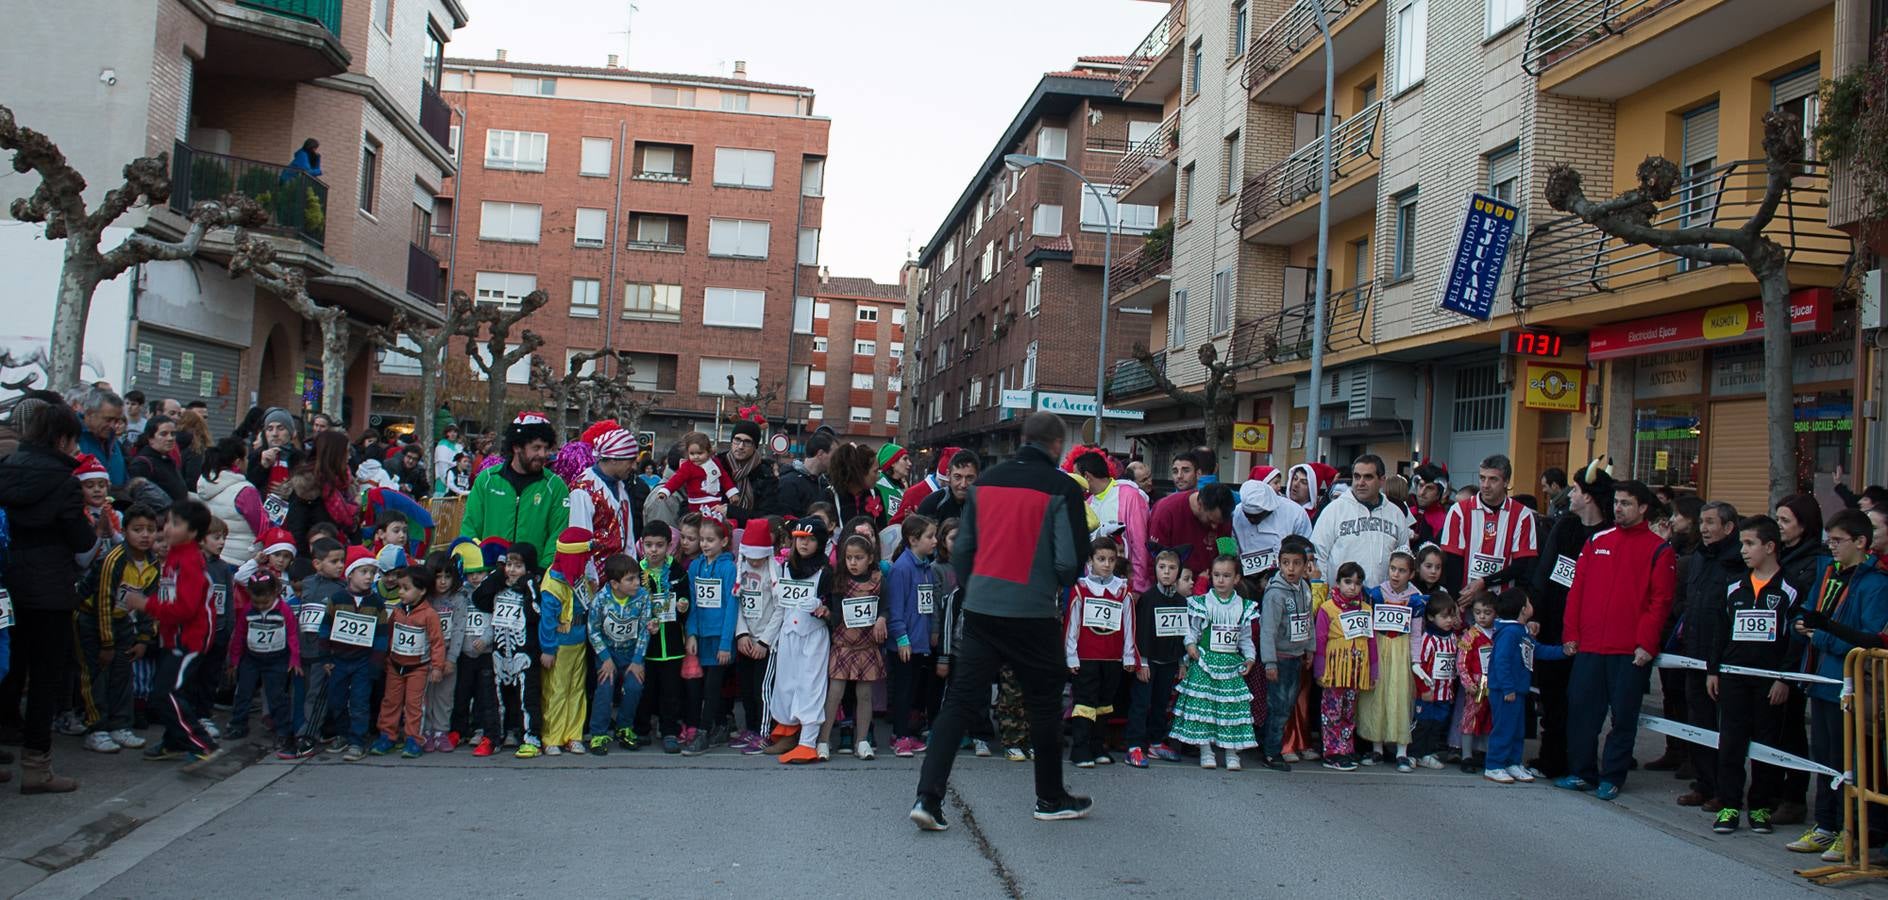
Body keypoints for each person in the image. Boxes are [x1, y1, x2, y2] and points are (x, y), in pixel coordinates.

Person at [913, 412, 1092, 831]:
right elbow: (1068, 561)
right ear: (1056, 447)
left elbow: (962, 550)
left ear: (1022, 439)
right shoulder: (1062, 488)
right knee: (1044, 705)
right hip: (1032, 611)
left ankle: (928, 798)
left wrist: (978, 589)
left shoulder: (985, 483)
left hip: (982, 608)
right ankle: (1049, 797)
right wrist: (1050, 582)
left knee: (959, 702)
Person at [1555, 480, 1677, 800]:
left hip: (1628, 652)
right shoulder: (1597, 541)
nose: (1618, 509)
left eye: (1626, 503)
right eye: (1617, 503)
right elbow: (1577, 592)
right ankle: (1581, 772)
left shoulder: (1659, 550)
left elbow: (1659, 603)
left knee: (1623, 717)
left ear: (1643, 508)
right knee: (1582, 712)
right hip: (1591, 647)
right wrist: (1571, 634)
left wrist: (1645, 645)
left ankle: (1612, 775)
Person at [0, 402, 101, 791]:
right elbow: (82, 546)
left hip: (6, 586)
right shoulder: (63, 483)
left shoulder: (6, 468)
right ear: (62, 439)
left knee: (7, 669)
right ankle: (37, 767)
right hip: (49, 592)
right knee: (44, 678)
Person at [1791, 509, 1888, 858]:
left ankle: (1853, 832)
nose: (1831, 547)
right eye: (1828, 540)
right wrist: (1801, 625)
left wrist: (1822, 639)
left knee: (1851, 763)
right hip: (1819, 680)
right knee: (1825, 759)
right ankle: (1825, 825)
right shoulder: (1828, 572)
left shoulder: (1875, 583)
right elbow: (1806, 609)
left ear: (1860, 542)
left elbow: (1871, 641)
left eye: (1838, 541)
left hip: (1850, 686)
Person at [1704, 515, 1794, 835]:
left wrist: (1784, 678)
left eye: (1750, 543)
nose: (1743, 550)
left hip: (1769, 681)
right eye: (1742, 543)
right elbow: (1720, 633)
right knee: (1730, 742)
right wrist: (1713, 670)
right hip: (1733, 677)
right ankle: (1729, 804)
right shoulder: (1734, 588)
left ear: (1770, 547)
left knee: (1766, 744)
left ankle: (1760, 808)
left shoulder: (1790, 590)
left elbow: (1794, 641)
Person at [122, 500, 223, 767]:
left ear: (192, 533)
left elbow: (185, 608)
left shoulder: (188, 562)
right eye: (166, 521)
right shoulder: (175, 557)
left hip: (189, 641)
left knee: (164, 693)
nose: (166, 528)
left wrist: (145, 604)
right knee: (175, 692)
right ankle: (175, 741)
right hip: (174, 638)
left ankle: (202, 744)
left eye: (175, 524)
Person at [76, 503, 160, 754]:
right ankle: (95, 727)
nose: (145, 535)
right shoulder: (115, 560)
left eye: (150, 530)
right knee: (96, 675)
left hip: (123, 620)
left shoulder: (153, 563)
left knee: (123, 675)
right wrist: (107, 643)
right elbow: (103, 600)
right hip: (93, 619)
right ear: (124, 531)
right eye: (137, 530)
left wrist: (144, 638)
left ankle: (119, 724)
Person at [1672, 500, 1740, 808]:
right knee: (1698, 721)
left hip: (1722, 658)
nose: (1704, 528)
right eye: (1702, 522)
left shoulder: (1737, 561)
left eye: (1711, 522)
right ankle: (1704, 782)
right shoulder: (1698, 556)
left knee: (1724, 728)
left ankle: (1725, 792)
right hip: (1694, 652)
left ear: (1728, 527)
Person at [1168, 553, 1258, 770]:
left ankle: (1231, 752)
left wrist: (1250, 657)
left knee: (1229, 708)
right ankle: (1206, 750)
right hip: (1205, 662)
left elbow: (1245, 638)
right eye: (1216, 575)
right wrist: (1190, 646)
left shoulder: (1242, 606)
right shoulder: (1202, 603)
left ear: (1236, 579)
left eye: (1226, 576)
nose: (1220, 580)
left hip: (1230, 665)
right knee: (1205, 709)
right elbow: (1192, 631)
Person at [1062, 537, 1137, 768]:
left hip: (1112, 657)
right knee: (1085, 702)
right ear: (1090, 561)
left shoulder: (1122, 590)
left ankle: (1098, 745)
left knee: (1105, 704)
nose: (1106, 564)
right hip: (1086, 656)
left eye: (1111, 560)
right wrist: (1071, 655)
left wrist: (1129, 654)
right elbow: (1071, 624)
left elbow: (1128, 623)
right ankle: (1080, 748)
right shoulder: (1081, 589)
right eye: (1101, 559)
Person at [766, 519, 833, 764]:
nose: (804, 543)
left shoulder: (825, 572)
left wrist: (823, 609)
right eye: (800, 538)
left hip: (813, 636)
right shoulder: (785, 567)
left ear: (821, 542)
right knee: (785, 684)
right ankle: (787, 731)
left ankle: (807, 741)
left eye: (811, 539)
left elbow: (834, 606)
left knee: (810, 686)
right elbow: (780, 604)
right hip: (788, 633)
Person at [460, 413, 570, 560]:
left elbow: (558, 535)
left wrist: (542, 571)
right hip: (489, 572)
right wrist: (476, 565)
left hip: (534, 575)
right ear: (517, 447)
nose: (543, 454)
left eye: (546, 448)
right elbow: (470, 527)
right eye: (536, 448)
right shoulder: (486, 480)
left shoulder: (555, 487)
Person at [1485, 588, 1567, 784]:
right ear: (1523, 609)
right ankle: (1494, 765)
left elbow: (1537, 650)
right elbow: (1501, 661)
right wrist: (1508, 688)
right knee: (1504, 728)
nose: (1532, 606)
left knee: (1517, 729)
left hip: (1518, 690)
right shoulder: (1510, 632)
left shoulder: (1521, 631)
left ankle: (1513, 762)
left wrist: (1563, 652)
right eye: (1529, 603)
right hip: (1506, 691)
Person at [1439, 454, 1539, 607]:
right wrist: (1456, 601)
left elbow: (1521, 566)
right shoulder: (1458, 511)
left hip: (1503, 604)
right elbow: (1452, 562)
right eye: (1482, 478)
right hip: (1466, 601)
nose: (1485, 485)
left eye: (1493, 479)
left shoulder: (1522, 515)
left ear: (1506, 482)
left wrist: (1484, 582)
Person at [820, 534, 886, 760]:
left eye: (858, 558)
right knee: (835, 693)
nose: (853, 563)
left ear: (870, 558)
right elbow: (837, 615)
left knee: (865, 695)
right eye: (849, 558)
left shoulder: (878, 579)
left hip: (866, 646)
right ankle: (823, 740)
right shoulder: (840, 581)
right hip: (843, 645)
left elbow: (885, 606)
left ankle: (862, 740)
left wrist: (881, 619)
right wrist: (827, 614)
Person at [1360, 551, 1425, 771]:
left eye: (1402, 570)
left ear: (1412, 574)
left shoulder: (1415, 599)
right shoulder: (1377, 594)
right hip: (1379, 646)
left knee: (1399, 696)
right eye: (1393, 569)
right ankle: (1377, 748)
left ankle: (1401, 751)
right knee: (1377, 695)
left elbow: (1416, 634)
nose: (1396, 574)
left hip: (1401, 650)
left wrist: (1415, 661)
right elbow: (1369, 626)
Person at [369, 565, 443, 759]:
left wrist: (437, 667)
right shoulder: (397, 611)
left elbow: (437, 642)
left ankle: (413, 739)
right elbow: (390, 634)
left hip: (418, 668)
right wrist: (385, 657)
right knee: (390, 701)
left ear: (422, 590)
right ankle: (387, 735)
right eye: (400, 587)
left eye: (406, 588)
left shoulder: (429, 615)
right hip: (395, 665)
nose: (400, 592)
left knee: (414, 704)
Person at [225, 570, 300, 757]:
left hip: (277, 659)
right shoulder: (249, 611)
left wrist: (294, 659)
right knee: (244, 691)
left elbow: (293, 636)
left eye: (264, 602)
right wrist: (234, 660)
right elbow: (239, 635)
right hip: (251, 658)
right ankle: (238, 724)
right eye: (256, 602)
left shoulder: (284, 611)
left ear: (275, 592)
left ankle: (283, 730)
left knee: (277, 695)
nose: (260, 606)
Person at [1256, 536, 1315, 771]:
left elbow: (1307, 620)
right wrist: (1269, 662)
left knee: (1287, 705)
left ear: (1305, 566)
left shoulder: (1304, 588)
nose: (1291, 568)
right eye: (1286, 563)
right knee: (1278, 707)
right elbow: (1267, 630)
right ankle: (1271, 751)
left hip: (1296, 656)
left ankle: (1268, 743)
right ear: (1279, 564)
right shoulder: (1275, 594)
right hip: (1279, 658)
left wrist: (1310, 648)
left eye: (1296, 563)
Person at [887, 515, 943, 758]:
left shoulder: (926, 568)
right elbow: (896, 608)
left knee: (913, 691)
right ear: (913, 539)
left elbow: (927, 605)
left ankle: (905, 734)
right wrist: (901, 638)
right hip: (905, 643)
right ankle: (899, 736)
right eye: (930, 536)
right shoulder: (902, 569)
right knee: (903, 690)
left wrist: (932, 631)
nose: (935, 541)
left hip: (920, 641)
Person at [1311, 455, 1413, 586]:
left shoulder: (1396, 514)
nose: (1360, 482)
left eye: (1368, 477)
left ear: (1382, 480)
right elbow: (1319, 555)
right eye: (1357, 476)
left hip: (1383, 600)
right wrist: (1323, 594)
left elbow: (1404, 559)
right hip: (1341, 600)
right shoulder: (1334, 510)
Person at [1127, 549, 1188, 768]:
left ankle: (1155, 741)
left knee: (1161, 703)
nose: (1167, 572)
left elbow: (1182, 632)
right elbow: (1141, 632)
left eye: (1172, 568)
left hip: (1169, 661)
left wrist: (1182, 662)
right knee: (1141, 703)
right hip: (1149, 661)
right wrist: (1141, 662)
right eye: (1162, 567)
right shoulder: (1149, 599)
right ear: (1155, 569)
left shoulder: (1182, 601)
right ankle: (1134, 745)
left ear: (1178, 571)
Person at [537, 528, 595, 756]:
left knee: (576, 689)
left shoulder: (579, 579)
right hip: (559, 647)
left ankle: (574, 734)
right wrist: (548, 649)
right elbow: (547, 621)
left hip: (579, 643)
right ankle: (552, 736)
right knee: (556, 691)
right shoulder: (552, 584)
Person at [586, 553, 651, 754]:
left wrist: (638, 660)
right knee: (605, 687)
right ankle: (598, 733)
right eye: (630, 579)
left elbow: (644, 629)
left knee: (634, 686)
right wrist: (605, 658)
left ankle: (624, 727)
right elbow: (593, 630)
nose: (636, 583)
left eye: (637, 578)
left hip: (631, 653)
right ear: (615, 584)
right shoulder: (601, 600)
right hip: (608, 653)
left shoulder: (642, 598)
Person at [636, 524, 692, 754]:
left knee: (671, 691)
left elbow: (687, 602)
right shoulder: (636, 572)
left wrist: (683, 606)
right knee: (645, 690)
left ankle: (669, 730)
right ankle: (641, 728)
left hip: (672, 644)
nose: (654, 550)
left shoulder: (678, 572)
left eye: (659, 545)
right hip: (645, 646)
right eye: (649, 545)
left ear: (669, 546)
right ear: (641, 545)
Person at [1314, 562, 1374, 771]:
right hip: (1334, 671)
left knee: (1349, 712)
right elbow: (1320, 640)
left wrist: (1373, 671)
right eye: (1347, 582)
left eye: (1357, 583)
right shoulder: (1327, 608)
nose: (1352, 587)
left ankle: (1346, 748)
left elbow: (1371, 641)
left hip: (1356, 671)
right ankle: (1332, 752)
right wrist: (1319, 670)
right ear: (1338, 583)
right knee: (1332, 711)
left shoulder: (1366, 609)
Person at [1073, 451, 1153, 594]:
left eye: (1076, 475)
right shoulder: (1088, 503)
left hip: (1124, 587)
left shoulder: (1130, 496)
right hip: (1094, 589)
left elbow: (1140, 544)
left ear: (1086, 476)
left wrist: (1138, 586)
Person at [568, 427, 643, 574]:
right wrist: (590, 581)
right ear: (614, 459)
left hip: (619, 582)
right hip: (596, 582)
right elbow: (581, 544)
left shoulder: (620, 486)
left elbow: (628, 539)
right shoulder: (583, 490)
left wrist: (631, 573)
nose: (634, 467)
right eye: (631, 460)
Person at [420, 552, 466, 752]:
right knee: (426, 693)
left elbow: (459, 629)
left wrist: (452, 659)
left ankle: (441, 730)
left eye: (447, 576)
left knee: (445, 695)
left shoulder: (458, 599)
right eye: (438, 577)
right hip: (426, 655)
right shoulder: (424, 599)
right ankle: (427, 730)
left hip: (448, 654)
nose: (443, 582)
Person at [1149, 482, 1235, 588]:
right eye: (1210, 520)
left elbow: (1227, 555)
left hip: (1209, 586)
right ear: (1200, 504)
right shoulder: (1166, 511)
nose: (1215, 527)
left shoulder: (1224, 519)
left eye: (1219, 523)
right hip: (1175, 586)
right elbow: (1155, 559)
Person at [1410, 596, 1461, 770]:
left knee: (1437, 723)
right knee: (1423, 723)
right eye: (1445, 617)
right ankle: (1413, 752)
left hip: (1444, 692)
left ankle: (1428, 752)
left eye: (1452, 616)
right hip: (1428, 692)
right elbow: (1419, 666)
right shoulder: (1428, 640)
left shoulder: (1453, 638)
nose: (1449, 621)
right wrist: (1423, 688)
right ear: (1431, 617)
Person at [1231, 478, 1313, 581]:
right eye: (1247, 516)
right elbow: (1230, 552)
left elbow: (1307, 550)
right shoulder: (1235, 515)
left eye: (1256, 516)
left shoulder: (1295, 513)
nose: (1251, 520)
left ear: (1269, 509)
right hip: (1246, 579)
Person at [719, 420, 779, 525]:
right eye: (737, 440)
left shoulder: (766, 474)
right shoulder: (717, 466)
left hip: (749, 534)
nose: (741, 446)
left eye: (747, 442)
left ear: (755, 446)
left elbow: (767, 515)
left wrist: (732, 512)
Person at [775, 432, 841, 518]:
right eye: (834, 455)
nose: (837, 460)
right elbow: (787, 520)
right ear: (820, 454)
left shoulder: (825, 483)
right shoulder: (789, 483)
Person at [74, 386, 127, 487]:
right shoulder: (73, 437)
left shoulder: (113, 441)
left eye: (116, 421)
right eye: (108, 420)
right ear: (89, 414)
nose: (113, 426)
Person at [900, 446, 963, 522]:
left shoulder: (968, 496)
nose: (962, 485)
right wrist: (914, 524)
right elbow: (894, 526)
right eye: (948, 483)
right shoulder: (913, 494)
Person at [915, 449, 979, 522]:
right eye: (957, 477)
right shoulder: (932, 504)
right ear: (948, 475)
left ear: (978, 477)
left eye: (969, 478)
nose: (963, 484)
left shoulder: (987, 506)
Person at [875, 442, 911, 522]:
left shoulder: (902, 488)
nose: (909, 463)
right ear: (893, 462)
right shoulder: (877, 483)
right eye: (905, 459)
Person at [434, 422, 464, 495]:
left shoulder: (458, 446)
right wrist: (449, 482)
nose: (453, 434)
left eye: (455, 432)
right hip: (443, 482)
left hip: (458, 481)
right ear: (446, 433)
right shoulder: (442, 445)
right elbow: (442, 466)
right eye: (450, 432)